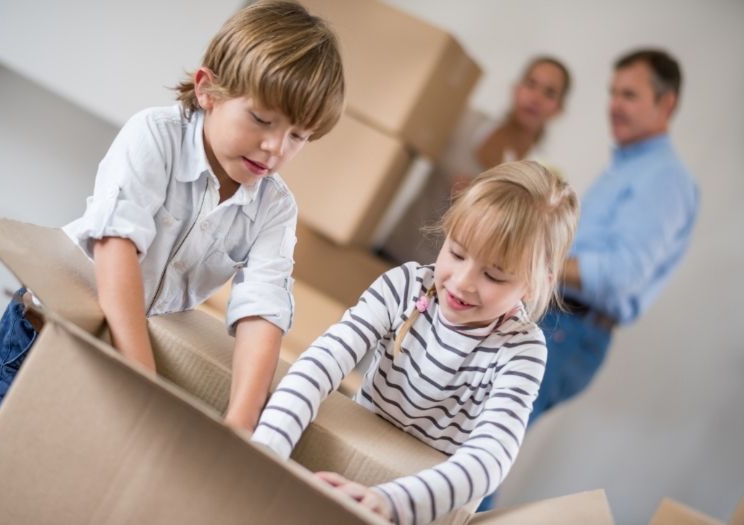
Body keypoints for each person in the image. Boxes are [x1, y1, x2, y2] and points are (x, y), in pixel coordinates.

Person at [0, 0, 344, 505]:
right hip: (52, 332)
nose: (275, 148)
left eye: (299, 136)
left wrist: (241, 427)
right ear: (208, 89)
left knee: (60, 498)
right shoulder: (154, 136)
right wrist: (142, 384)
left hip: (132, 352)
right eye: (262, 119)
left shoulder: (275, 208)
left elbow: (263, 311)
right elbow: (117, 248)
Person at [252, 160, 580, 524]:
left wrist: (390, 501)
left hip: (419, 504)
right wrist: (268, 449)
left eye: (494, 275)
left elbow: (489, 460)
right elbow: (319, 365)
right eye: (456, 253)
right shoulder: (403, 287)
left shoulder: (522, 349)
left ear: (535, 283)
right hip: (346, 459)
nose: (462, 282)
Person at [530, 49, 699, 425]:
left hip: (570, 331)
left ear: (666, 103)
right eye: (613, 93)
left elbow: (620, 275)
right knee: (475, 444)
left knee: (481, 450)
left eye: (630, 95)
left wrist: (532, 262)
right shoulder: (624, 169)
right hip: (557, 318)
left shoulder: (664, 179)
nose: (615, 105)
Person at [380, 56, 571, 266]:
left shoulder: (539, 179)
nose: (536, 97)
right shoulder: (463, 122)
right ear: (515, 89)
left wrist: (479, 203)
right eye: (531, 84)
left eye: (549, 93)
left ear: (559, 109)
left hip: (450, 284)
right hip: (394, 252)